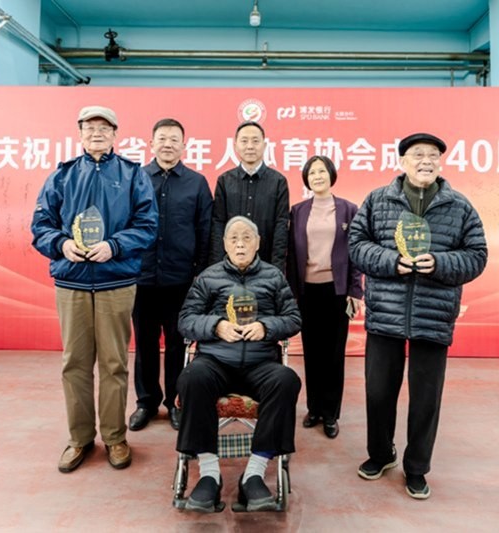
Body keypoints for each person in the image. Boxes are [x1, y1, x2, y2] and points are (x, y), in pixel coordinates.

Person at [348, 132, 487, 499]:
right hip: (386, 312)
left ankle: (417, 468)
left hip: (433, 315)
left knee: (426, 399)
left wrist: (439, 263)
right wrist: (391, 261)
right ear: (402, 162)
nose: (426, 161)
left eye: (432, 155)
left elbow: (477, 255)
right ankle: (381, 454)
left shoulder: (460, 206)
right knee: (379, 392)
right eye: (418, 155)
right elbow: (357, 245)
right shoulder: (378, 200)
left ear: (440, 163)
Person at [31, 105, 158, 473]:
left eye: (104, 128)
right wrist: (61, 244)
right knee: (75, 362)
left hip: (116, 281)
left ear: (115, 134)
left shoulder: (132, 175)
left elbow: (147, 225)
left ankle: (115, 437)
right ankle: (80, 438)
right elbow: (40, 225)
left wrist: (114, 246)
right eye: (90, 127)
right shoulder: (62, 176)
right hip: (71, 282)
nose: (97, 133)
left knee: (114, 364)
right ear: (80, 134)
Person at [176, 216, 302, 513]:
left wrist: (266, 327)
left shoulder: (273, 277)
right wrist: (216, 326)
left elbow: (293, 318)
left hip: (260, 363)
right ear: (225, 244)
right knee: (192, 378)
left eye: (247, 238)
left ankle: (254, 474)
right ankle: (209, 474)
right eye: (234, 239)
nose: (240, 244)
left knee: (287, 380)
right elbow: (186, 320)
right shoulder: (208, 278)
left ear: (258, 243)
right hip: (216, 361)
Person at [129, 118, 213, 432]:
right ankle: (146, 402)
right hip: (142, 277)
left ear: (184, 145)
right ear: (151, 143)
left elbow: (205, 231)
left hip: (181, 280)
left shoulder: (197, 183)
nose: (168, 144)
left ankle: (176, 403)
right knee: (145, 344)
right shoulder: (136, 179)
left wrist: (200, 274)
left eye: (174, 139)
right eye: (162, 138)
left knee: (178, 344)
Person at [287, 155, 363, 439]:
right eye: (312, 173)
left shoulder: (348, 210)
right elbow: (290, 256)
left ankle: (331, 413)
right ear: (306, 179)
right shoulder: (297, 211)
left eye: (322, 171)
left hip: (336, 291)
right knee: (312, 352)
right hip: (307, 291)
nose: (317, 176)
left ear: (331, 175)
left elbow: (356, 254)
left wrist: (355, 291)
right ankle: (314, 408)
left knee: (333, 355)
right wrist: (291, 293)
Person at [208, 121, 289, 271]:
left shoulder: (278, 181)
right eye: (244, 141)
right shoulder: (224, 181)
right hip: (230, 266)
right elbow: (218, 225)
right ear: (235, 146)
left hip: (266, 264)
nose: (250, 146)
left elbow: (281, 226)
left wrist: (277, 268)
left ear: (264, 145)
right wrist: (217, 267)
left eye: (255, 141)